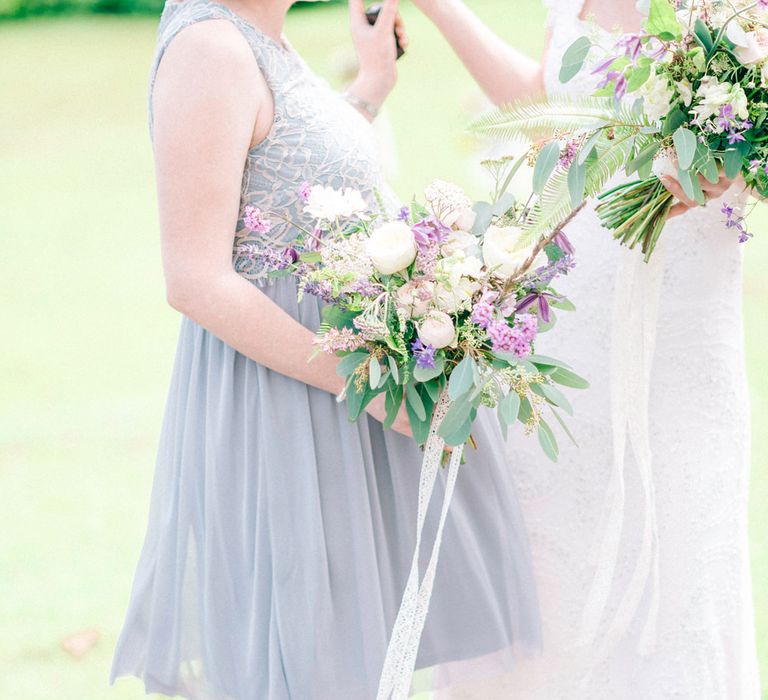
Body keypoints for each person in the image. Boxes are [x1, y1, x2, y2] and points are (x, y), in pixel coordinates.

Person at [109, 0, 543, 697]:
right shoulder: (209, 47)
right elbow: (194, 278)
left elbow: (296, 177)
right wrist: (367, 383)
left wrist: (371, 85)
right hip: (287, 412)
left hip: (331, 400)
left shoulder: (262, 40)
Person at [414, 0, 761, 697]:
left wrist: (736, 158)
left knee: (677, 562)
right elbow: (551, 112)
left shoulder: (738, 11)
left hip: (680, 342)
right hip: (565, 324)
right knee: (554, 564)